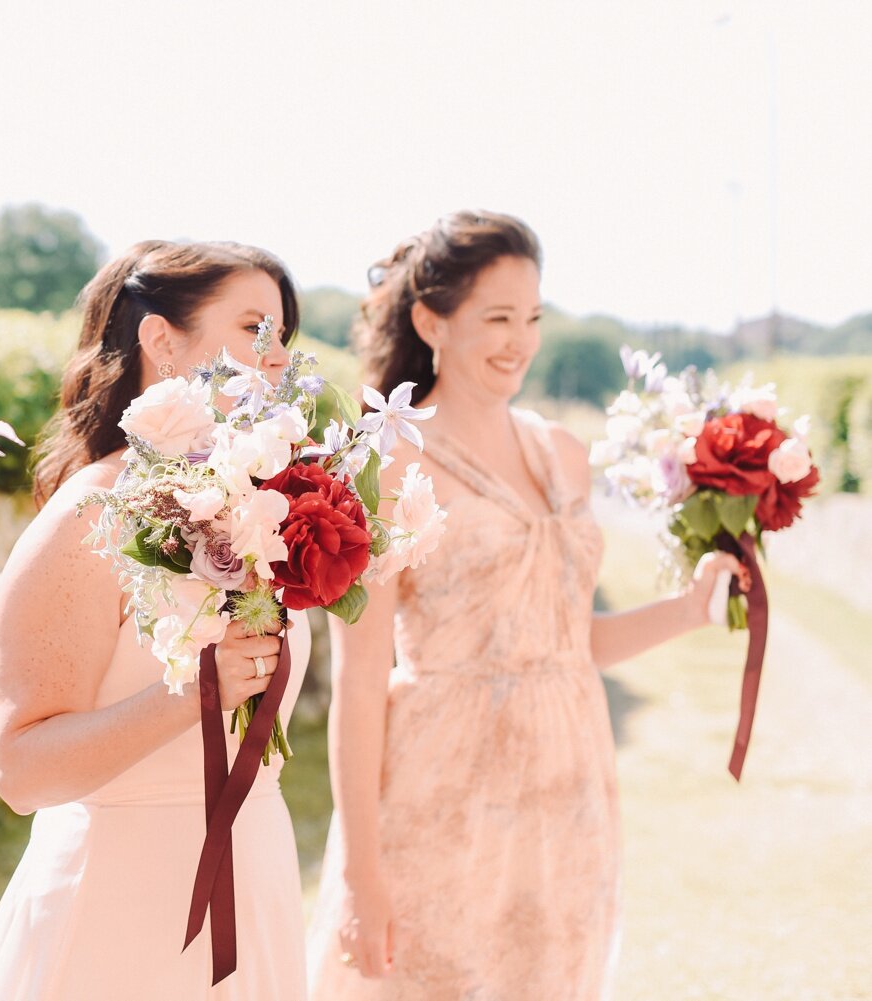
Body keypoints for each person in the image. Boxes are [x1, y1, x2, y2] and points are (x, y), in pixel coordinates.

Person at [306, 211, 747, 999]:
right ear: (430, 320)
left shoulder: (561, 455)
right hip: (440, 793)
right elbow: (360, 682)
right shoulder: (385, 462)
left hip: (569, 790)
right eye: (498, 317)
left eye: (533, 317)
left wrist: (690, 608)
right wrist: (359, 873)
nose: (520, 339)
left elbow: (569, 642)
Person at [0, 241, 311, 1001]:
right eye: (255, 328)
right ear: (162, 340)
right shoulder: (94, 511)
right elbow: (20, 769)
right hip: (120, 913)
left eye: (283, 335)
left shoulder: (263, 504)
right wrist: (195, 693)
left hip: (255, 882)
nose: (278, 359)